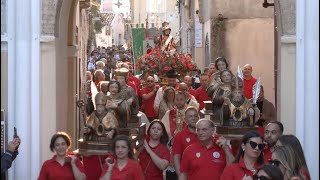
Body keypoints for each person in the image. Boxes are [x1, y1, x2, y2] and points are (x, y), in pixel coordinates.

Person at [172, 107, 199, 177]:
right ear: (185, 120)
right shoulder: (179, 136)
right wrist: (180, 175)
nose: (193, 118)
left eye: (195, 116)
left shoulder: (204, 135)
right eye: (190, 116)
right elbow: (176, 157)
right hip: (187, 174)